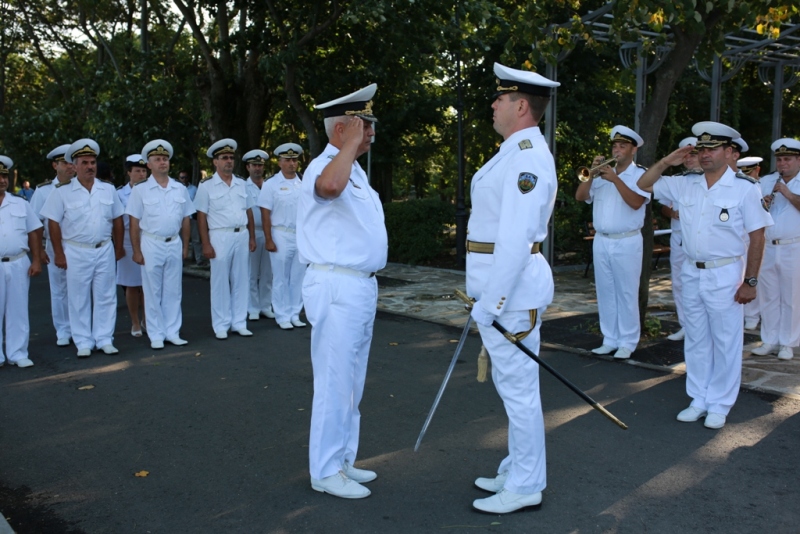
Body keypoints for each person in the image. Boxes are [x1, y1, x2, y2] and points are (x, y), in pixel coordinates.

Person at [465, 63, 559, 514]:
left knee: (520, 392)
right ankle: (518, 466)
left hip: (512, 296)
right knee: (513, 390)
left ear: (521, 106)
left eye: (500, 98)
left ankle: (526, 485)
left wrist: (492, 300)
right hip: (503, 293)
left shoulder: (526, 157)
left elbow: (516, 239)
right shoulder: (513, 151)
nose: (493, 104)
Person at [637, 121, 772, 429]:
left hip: (725, 272)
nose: (705, 154)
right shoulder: (686, 183)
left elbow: (758, 236)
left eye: (713, 148)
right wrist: (666, 162)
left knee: (725, 341)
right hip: (691, 271)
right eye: (702, 148)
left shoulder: (744, 188)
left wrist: (750, 281)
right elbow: (643, 184)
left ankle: (720, 403)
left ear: (729, 152)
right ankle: (698, 398)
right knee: (696, 339)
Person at [297, 83, 386, 499]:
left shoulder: (356, 169)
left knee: (353, 381)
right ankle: (325, 469)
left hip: (359, 287)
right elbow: (328, 190)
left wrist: (351, 148)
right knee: (335, 381)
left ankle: (344, 459)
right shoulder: (325, 166)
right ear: (343, 128)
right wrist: (348, 145)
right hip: (335, 285)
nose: (371, 131)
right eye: (363, 124)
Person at [40, 139, 125, 358]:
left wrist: (118, 247)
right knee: (78, 298)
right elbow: (53, 223)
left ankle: (105, 338)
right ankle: (83, 341)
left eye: (93, 162)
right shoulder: (61, 192)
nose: (90, 166)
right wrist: (58, 253)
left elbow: (117, 219)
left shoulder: (107, 189)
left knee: (106, 295)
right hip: (76, 250)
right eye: (84, 162)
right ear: (74, 166)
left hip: (104, 248)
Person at [575, 125, 650, 360]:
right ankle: (610, 338)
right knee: (605, 291)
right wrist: (592, 174)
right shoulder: (601, 173)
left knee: (626, 292)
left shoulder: (640, 175)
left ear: (633, 150)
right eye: (614, 146)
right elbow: (580, 196)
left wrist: (616, 179)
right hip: (602, 240)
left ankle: (628, 341)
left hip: (627, 241)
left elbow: (637, 202)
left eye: (622, 146)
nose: (617, 150)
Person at [127, 140, 195, 350]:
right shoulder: (140, 190)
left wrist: (185, 247)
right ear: (149, 164)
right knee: (152, 290)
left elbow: (185, 219)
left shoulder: (179, 188)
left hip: (173, 242)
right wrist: (137, 250)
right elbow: (134, 223)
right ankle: (156, 334)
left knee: (174, 290)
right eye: (157, 159)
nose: (162, 162)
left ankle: (172, 331)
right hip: (151, 243)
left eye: (165, 159)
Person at [193, 139, 256, 339]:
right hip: (219, 235)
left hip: (241, 233)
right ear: (215, 162)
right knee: (220, 281)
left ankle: (239, 322)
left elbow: (249, 211)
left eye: (231, 158)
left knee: (241, 279)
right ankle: (221, 324)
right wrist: (206, 243)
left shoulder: (241, 183)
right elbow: (201, 216)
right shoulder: (206, 186)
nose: (229, 161)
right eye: (224, 158)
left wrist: (252, 237)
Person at [750, 139, 800, 361]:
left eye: (787, 159)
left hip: (793, 246)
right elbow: (753, 211)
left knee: (791, 296)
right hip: (769, 246)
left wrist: (787, 193)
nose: (782, 164)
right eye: (779, 159)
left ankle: (788, 342)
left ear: (798, 160)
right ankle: (769, 339)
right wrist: (763, 202)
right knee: (768, 296)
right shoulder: (767, 180)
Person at [258, 142, 307, 330]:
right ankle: (282, 315)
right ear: (279, 162)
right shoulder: (271, 184)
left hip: (299, 235)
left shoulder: (303, 183)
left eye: (294, 160)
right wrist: (268, 238)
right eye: (287, 160)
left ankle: (295, 313)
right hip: (280, 234)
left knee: (298, 277)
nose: (291, 163)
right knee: (280, 278)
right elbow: (265, 213)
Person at [0, 155, 43, 368]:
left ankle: (18, 353)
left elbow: (34, 231)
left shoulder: (20, 203)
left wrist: (36, 260)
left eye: (4, 176)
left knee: (18, 309)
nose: (2, 180)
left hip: (18, 262)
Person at [29, 144, 73, 346]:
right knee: (59, 289)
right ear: (55, 165)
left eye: (71, 162)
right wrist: (37, 251)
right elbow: (34, 224)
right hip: (55, 246)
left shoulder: (81, 186)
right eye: (64, 163)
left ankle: (80, 326)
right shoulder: (43, 190)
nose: (69, 167)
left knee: (82, 288)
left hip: (80, 244)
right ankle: (63, 330)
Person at [660, 137, 700, 342]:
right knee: (679, 283)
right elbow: (663, 205)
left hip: (701, 243)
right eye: (685, 155)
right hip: (678, 237)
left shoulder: (710, 180)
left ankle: (698, 327)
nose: (688, 159)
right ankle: (685, 324)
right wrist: (672, 213)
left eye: (693, 154)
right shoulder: (677, 180)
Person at [116, 155, 148, 337]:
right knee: (132, 285)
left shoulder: (151, 190)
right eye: (137, 171)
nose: (141, 174)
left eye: (144, 170)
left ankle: (146, 319)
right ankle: (135, 321)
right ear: (129, 172)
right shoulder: (120, 194)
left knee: (147, 284)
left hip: (149, 239)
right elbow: (118, 223)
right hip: (129, 241)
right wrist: (118, 246)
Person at [241, 149, 275, 322]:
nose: (257, 168)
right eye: (254, 165)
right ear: (248, 167)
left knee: (268, 273)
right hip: (251, 233)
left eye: (260, 165)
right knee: (251, 273)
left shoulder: (270, 185)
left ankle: (265, 305)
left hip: (269, 232)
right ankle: (252, 307)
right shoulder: (243, 186)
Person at [738, 155, 765, 331]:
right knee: (740, 276)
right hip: (742, 237)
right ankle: (745, 313)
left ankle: (753, 314)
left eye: (750, 172)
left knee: (756, 277)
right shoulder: (742, 187)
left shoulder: (761, 186)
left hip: (761, 239)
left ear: (757, 170)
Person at [179, 169, 204, 266]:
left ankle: (198, 259)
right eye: (182, 177)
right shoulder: (176, 189)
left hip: (192, 218)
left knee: (196, 239)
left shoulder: (194, 189)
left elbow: (198, 202)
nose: (184, 179)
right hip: (180, 219)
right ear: (179, 178)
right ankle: (181, 259)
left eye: (185, 177)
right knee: (180, 239)